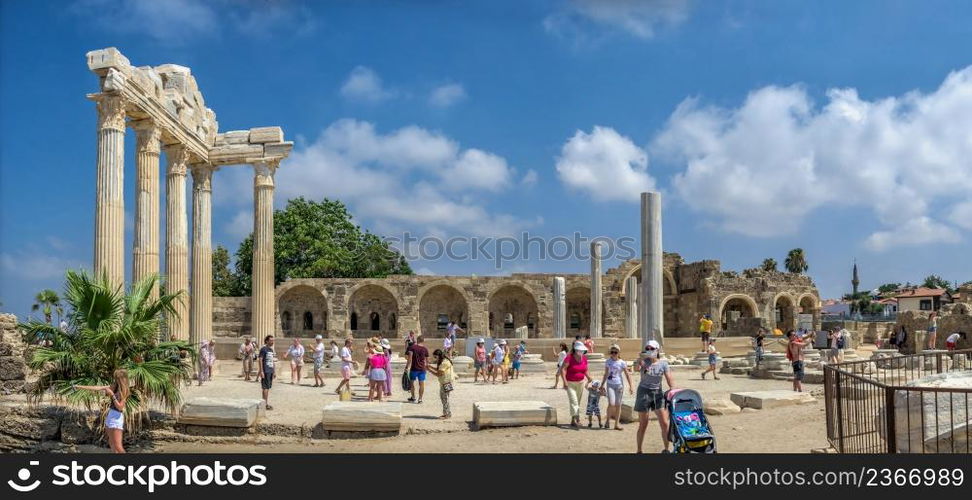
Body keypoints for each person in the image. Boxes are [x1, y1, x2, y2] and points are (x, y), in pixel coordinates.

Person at [73, 369, 130, 453]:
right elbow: (98, 388)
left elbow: (120, 407)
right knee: (111, 443)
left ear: (122, 379)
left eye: (117, 378)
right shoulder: (115, 386)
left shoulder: (125, 391)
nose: (116, 380)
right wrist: (79, 386)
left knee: (118, 446)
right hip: (111, 415)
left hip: (117, 418)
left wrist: (112, 395)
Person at [635, 340, 675, 453]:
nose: (649, 351)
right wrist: (639, 361)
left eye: (652, 349)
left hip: (657, 393)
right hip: (643, 392)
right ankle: (639, 450)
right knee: (643, 423)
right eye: (647, 348)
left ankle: (666, 449)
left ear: (657, 350)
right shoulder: (644, 362)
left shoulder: (663, 363)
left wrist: (672, 388)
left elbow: (668, 377)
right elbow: (636, 369)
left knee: (664, 422)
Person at [600, 344, 633, 431]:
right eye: (612, 352)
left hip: (619, 385)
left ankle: (616, 424)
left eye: (615, 352)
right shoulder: (608, 361)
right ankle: (607, 420)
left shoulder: (622, 362)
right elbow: (606, 373)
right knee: (611, 403)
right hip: (610, 384)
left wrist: (631, 386)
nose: (614, 354)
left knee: (618, 405)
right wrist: (602, 384)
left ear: (618, 353)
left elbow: (627, 374)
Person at [560, 341, 592, 428]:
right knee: (574, 401)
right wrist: (564, 382)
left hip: (581, 382)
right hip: (570, 383)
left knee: (577, 402)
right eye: (579, 350)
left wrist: (589, 377)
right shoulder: (569, 358)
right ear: (575, 350)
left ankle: (573, 420)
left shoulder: (584, 358)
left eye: (582, 351)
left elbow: (585, 369)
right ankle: (576, 419)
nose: (581, 352)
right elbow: (563, 369)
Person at [427, 349, 455, 419]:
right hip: (446, 382)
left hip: (446, 382)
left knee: (445, 398)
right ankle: (447, 413)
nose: (435, 359)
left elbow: (439, 373)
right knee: (444, 398)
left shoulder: (444, 362)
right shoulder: (444, 361)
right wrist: (430, 367)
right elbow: (438, 369)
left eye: (435, 357)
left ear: (439, 356)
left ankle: (447, 414)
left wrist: (429, 370)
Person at [405, 334, 430, 403]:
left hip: (414, 368)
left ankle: (413, 397)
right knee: (421, 384)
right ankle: (420, 399)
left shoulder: (412, 347)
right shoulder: (425, 349)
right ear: (423, 341)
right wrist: (427, 367)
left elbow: (409, 358)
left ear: (417, 340)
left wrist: (407, 367)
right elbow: (427, 361)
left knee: (412, 383)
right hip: (422, 369)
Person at [258, 335, 276, 410]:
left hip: (270, 370)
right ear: (267, 341)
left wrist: (274, 371)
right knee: (265, 388)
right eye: (271, 340)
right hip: (265, 370)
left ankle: (265, 403)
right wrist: (261, 371)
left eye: (273, 340)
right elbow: (260, 360)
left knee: (268, 387)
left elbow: (272, 361)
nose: (272, 342)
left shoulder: (271, 350)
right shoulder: (263, 349)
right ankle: (264, 404)